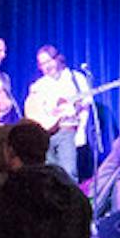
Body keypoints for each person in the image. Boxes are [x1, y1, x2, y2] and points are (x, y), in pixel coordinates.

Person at [23, 45, 94, 178]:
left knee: (68, 174)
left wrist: (81, 130)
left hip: (67, 131)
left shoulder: (75, 78)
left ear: (57, 59)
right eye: (42, 64)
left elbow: (85, 106)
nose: (46, 66)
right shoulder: (39, 85)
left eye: (48, 61)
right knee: (48, 175)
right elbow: (31, 110)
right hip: (45, 135)